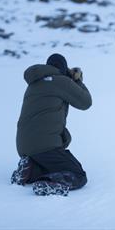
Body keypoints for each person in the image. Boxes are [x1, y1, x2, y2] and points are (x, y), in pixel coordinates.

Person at [11, 53, 92, 196]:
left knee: (53, 166)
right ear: (63, 68)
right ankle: (48, 184)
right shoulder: (60, 81)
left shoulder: (33, 85)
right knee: (78, 175)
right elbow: (85, 102)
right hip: (45, 145)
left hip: (24, 146)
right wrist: (77, 80)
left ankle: (30, 169)